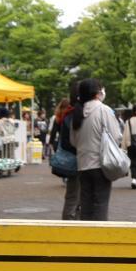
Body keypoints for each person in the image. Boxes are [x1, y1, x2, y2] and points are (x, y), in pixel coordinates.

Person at [72, 78, 121, 221]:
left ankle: (86, 236)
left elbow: (73, 141)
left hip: (82, 165)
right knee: (100, 203)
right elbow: (116, 136)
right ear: (96, 93)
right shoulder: (104, 110)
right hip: (100, 165)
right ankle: (99, 237)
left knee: (86, 205)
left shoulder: (78, 112)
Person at [49, 85, 81, 220]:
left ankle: (74, 221)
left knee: (75, 194)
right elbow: (70, 141)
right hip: (76, 159)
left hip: (69, 153)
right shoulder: (72, 115)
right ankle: (69, 222)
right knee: (73, 195)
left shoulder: (64, 115)